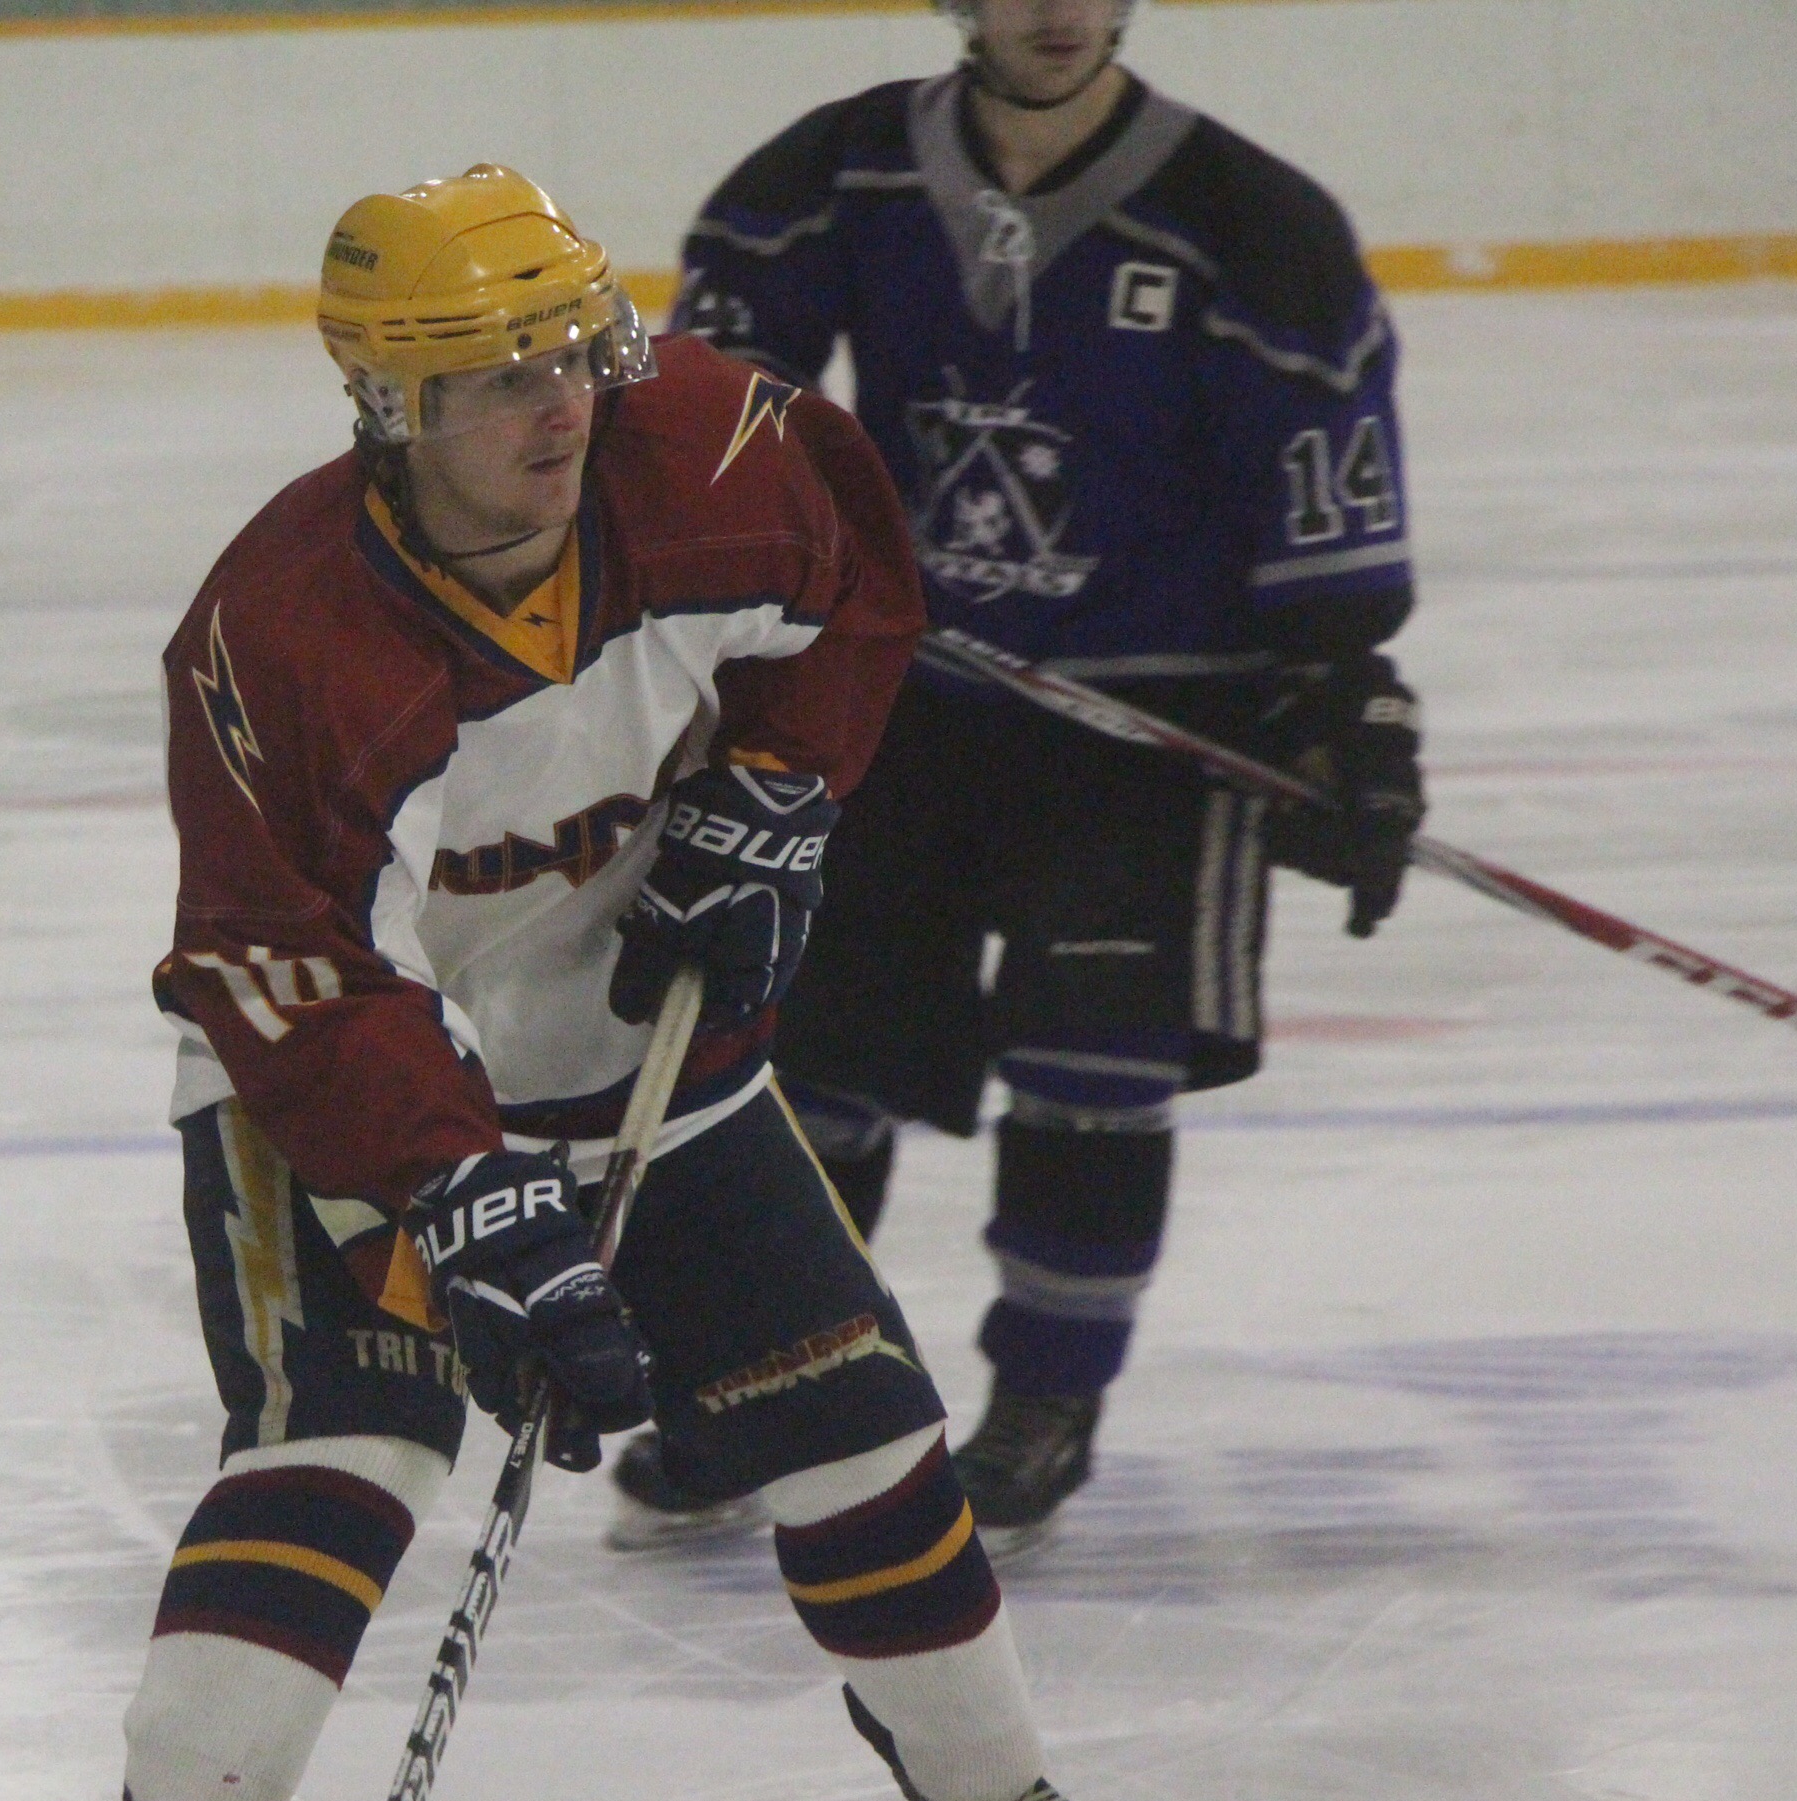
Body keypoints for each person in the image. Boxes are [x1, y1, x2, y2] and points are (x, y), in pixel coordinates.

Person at [57, 165, 1208, 1801]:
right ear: (393, 404)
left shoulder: (722, 452)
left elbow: (858, 603)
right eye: (500, 377)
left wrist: (780, 792)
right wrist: (466, 1187)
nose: (562, 406)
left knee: (856, 1425)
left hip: (636, 1044)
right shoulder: (285, 633)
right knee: (355, 1437)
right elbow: (296, 968)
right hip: (338, 1082)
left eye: (575, 353)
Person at [611, 0, 1427, 1554]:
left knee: (1091, 1072)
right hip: (899, 699)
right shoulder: (840, 173)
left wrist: (1346, 699)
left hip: (1153, 721)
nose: (1056, 7)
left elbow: (1324, 467)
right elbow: (719, 410)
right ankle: (764, 1387)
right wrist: (733, 603)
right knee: (813, 1061)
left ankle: (1047, 1402)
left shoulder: (1253, 221)